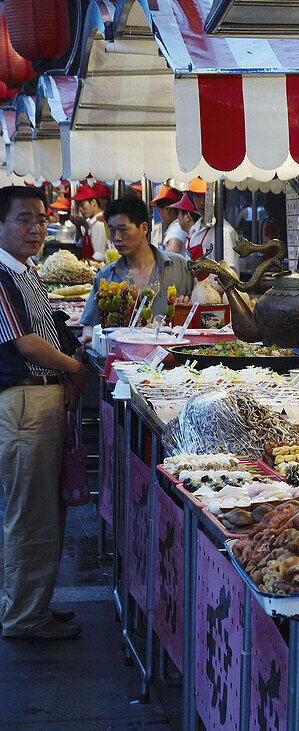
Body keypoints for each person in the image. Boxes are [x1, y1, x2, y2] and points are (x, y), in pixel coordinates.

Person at [0, 186, 87, 639]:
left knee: (43, 511)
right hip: (24, 403)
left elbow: (47, 329)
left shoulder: (24, 272)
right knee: (30, 511)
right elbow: (26, 342)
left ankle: (30, 604)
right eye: (23, 219)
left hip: (41, 400)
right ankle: (23, 617)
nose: (35, 228)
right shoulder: (0, 276)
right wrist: (75, 367)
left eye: (40, 218)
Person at [79, 197, 194, 343]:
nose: (117, 238)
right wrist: (88, 337)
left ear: (143, 228)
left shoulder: (179, 266)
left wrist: (187, 307)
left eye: (123, 230)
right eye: (112, 231)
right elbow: (91, 324)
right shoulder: (105, 277)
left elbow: (204, 310)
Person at [71, 185, 110, 262]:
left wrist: (85, 225)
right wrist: (78, 226)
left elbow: (99, 255)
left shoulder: (101, 222)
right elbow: (79, 243)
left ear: (93, 202)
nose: (80, 209)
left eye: (82, 205)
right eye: (79, 206)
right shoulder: (89, 221)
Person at [150, 185, 186, 253]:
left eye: (159, 210)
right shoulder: (176, 226)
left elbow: (174, 250)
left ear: (167, 209)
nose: (160, 215)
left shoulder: (177, 228)